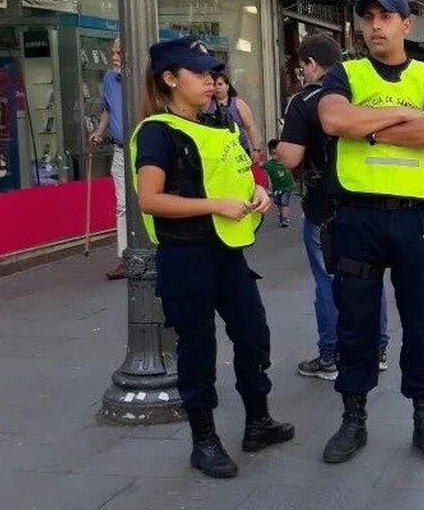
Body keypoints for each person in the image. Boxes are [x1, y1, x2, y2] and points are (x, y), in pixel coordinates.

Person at [131, 36, 293, 479]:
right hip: (186, 255)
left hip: (229, 253)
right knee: (198, 348)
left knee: (253, 335)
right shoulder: (157, 132)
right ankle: (204, 440)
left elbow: (237, 178)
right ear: (169, 78)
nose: (211, 81)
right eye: (199, 73)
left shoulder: (218, 125)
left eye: (212, 73)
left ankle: (257, 420)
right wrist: (215, 206)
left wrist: (257, 192)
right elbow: (149, 199)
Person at [317, 0, 424, 464]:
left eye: (386, 17)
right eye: (368, 17)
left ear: (405, 25)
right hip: (358, 218)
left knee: (423, 321)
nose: (375, 26)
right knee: (355, 322)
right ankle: (352, 418)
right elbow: (333, 119)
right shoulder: (346, 72)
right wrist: (398, 116)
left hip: (417, 220)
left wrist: (367, 126)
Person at [275, 35, 391, 380]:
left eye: (301, 67)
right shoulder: (361, 93)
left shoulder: (304, 101)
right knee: (372, 277)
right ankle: (378, 350)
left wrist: (279, 151)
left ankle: (331, 355)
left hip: (323, 206)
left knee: (327, 280)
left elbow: (291, 157)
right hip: (368, 200)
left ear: (311, 64)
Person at [88, 37, 127, 280]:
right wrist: (99, 132)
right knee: (123, 205)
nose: (114, 57)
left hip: (143, 149)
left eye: (119, 53)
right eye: (112, 52)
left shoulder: (148, 78)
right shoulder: (110, 78)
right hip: (120, 149)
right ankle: (125, 258)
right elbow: (109, 109)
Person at [207, 72, 263, 159]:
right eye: (214, 84)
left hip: (240, 149)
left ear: (227, 86)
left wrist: (256, 149)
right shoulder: (207, 105)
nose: (217, 87)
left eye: (220, 84)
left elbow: (250, 127)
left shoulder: (238, 104)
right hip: (218, 151)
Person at [262, 139, 294, 227]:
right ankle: (282, 215)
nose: (275, 156)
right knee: (278, 202)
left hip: (287, 186)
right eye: (273, 154)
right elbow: (261, 165)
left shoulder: (285, 160)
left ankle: (285, 219)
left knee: (284, 202)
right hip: (276, 188)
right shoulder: (269, 164)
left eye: (277, 153)